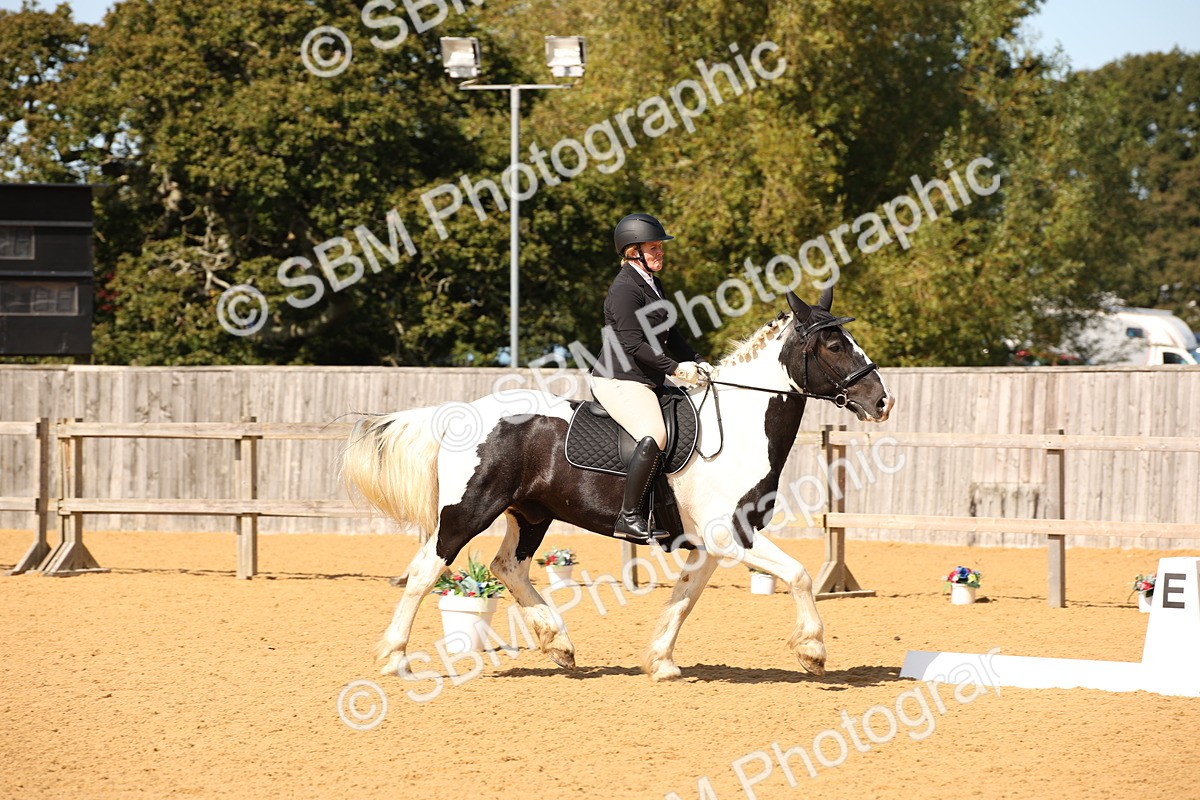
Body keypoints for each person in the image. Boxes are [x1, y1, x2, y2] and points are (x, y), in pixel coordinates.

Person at [590, 213, 712, 541]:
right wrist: (673, 368)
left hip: (647, 377)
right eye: (653, 247)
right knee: (655, 433)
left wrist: (701, 361)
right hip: (619, 378)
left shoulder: (653, 284)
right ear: (633, 252)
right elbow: (632, 343)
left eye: (660, 247)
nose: (660, 252)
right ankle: (628, 517)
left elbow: (673, 333)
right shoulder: (624, 289)